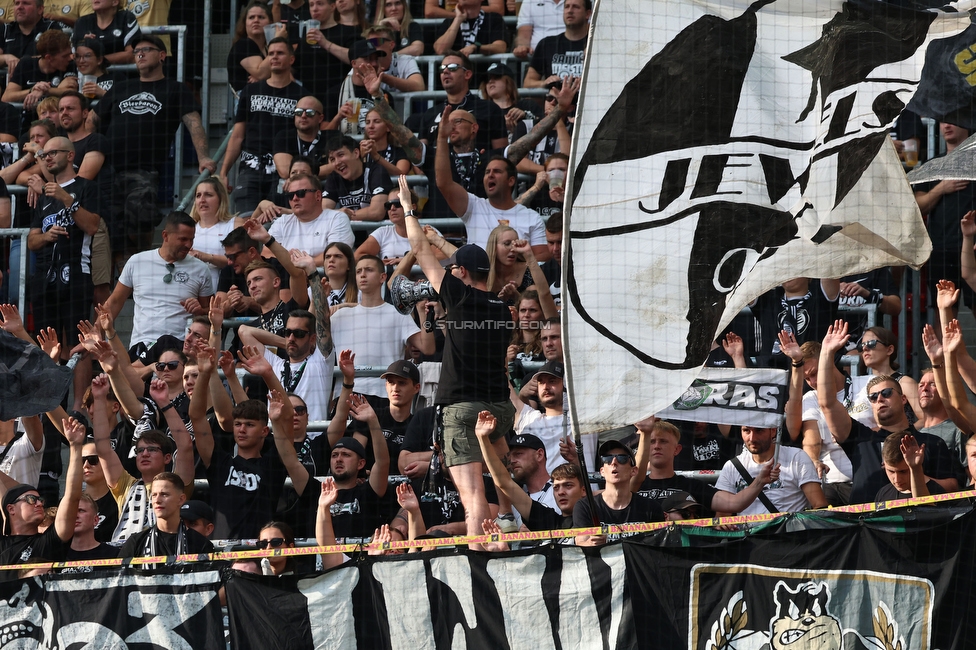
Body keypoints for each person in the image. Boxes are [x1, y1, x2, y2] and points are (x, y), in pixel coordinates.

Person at [402, 176, 515, 545]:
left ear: (462, 274)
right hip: (499, 408)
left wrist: (408, 207)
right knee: (503, 482)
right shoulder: (503, 308)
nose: (448, 275)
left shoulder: (459, 296)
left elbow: (419, 250)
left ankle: (479, 557)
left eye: (453, 270)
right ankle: (510, 536)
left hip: (463, 411)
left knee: (474, 499)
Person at [815, 320, 960, 504]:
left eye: (886, 393)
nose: (879, 399)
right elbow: (827, 403)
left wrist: (915, 476)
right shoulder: (861, 439)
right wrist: (827, 353)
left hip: (916, 527)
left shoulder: (931, 442)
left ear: (903, 399)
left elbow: (953, 487)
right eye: (873, 397)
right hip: (868, 529)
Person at [95, 34, 215, 251]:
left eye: (146, 49)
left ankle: (140, 260)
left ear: (161, 55)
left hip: (144, 169)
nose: (139, 54)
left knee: (140, 218)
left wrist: (204, 156)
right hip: (106, 169)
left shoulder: (174, 89)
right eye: (136, 51)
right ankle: (124, 268)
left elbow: (194, 123)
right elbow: (91, 121)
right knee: (109, 227)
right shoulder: (121, 88)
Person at [190, 349, 289, 540]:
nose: (241, 429)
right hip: (222, 557)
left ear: (264, 431)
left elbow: (288, 416)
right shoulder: (220, 463)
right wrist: (204, 373)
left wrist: (268, 374)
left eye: (249, 425)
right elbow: (196, 417)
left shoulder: (272, 464)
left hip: (258, 556)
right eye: (237, 425)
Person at [102, 211, 214, 356]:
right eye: (183, 239)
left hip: (179, 348)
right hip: (142, 346)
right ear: (165, 236)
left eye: (191, 239)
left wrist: (200, 311)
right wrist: (94, 334)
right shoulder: (137, 261)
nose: (189, 245)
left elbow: (210, 313)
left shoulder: (201, 269)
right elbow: (114, 302)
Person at [222, 37, 304, 215]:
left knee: (280, 226)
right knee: (246, 224)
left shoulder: (302, 95)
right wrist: (224, 171)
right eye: (271, 53)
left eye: (280, 53)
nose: (274, 57)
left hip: (284, 172)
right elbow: (237, 135)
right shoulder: (250, 91)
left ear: (291, 59)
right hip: (250, 168)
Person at [331, 255, 433, 398]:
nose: (363, 275)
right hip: (347, 394)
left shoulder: (399, 313)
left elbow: (427, 348)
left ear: (382, 277)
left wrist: (422, 313)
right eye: (359, 271)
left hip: (385, 394)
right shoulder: (339, 316)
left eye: (369, 270)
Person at [632, 418, 777, 516]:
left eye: (663, 441)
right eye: (652, 442)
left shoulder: (691, 486)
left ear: (677, 449)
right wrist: (645, 433)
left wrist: (759, 481)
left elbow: (734, 503)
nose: (657, 446)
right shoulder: (633, 486)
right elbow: (635, 474)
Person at [0, 414, 84, 580]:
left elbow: (72, 497)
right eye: (31, 500)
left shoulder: (49, 543)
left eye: (40, 500)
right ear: (11, 509)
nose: (39, 503)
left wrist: (75, 446)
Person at [239, 283, 336, 421]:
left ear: (312, 339)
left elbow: (323, 320)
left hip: (311, 438)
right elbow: (244, 330)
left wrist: (314, 285)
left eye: (298, 334)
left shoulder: (321, 362)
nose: (291, 338)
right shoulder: (274, 363)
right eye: (288, 332)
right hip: (277, 438)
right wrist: (285, 344)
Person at [779, 333, 855, 506]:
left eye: (814, 373)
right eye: (807, 378)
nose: (813, 382)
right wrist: (813, 460)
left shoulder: (865, 386)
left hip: (867, 473)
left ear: (828, 360)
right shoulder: (811, 397)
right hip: (831, 481)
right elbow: (810, 436)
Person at [475, 411, 583, 531]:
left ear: (539, 454)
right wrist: (483, 438)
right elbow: (503, 482)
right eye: (556, 488)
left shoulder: (588, 507)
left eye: (519, 454)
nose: (512, 461)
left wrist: (577, 461)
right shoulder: (546, 518)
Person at [915, 122, 975, 327]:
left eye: (953, 120)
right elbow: (917, 207)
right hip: (940, 250)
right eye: (942, 120)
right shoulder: (933, 164)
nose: (946, 125)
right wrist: (940, 188)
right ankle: (942, 360)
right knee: (945, 315)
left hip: (973, 248)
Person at [58, 91, 116, 303]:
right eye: (61, 109)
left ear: (84, 113)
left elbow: (79, 181)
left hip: (94, 217)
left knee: (99, 286)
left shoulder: (95, 140)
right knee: (63, 287)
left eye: (70, 108)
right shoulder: (56, 145)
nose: (64, 112)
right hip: (63, 220)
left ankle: (101, 334)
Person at [715, 425, 826, 515]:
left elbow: (820, 505)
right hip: (747, 538)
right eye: (746, 430)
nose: (752, 438)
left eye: (759, 430)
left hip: (788, 537)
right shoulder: (731, 467)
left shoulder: (796, 457)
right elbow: (722, 517)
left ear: (773, 431)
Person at [574, 440, 663, 546]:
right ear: (602, 471)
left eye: (622, 458)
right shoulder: (585, 506)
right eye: (607, 459)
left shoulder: (651, 507)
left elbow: (658, 549)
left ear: (633, 471)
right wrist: (590, 543)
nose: (614, 462)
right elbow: (580, 542)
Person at [265, 172, 356, 264]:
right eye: (290, 195)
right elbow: (267, 255)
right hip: (286, 277)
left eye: (301, 193)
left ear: (318, 196)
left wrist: (296, 266)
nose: (295, 198)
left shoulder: (337, 219)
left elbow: (335, 255)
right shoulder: (282, 222)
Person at [119, 472, 214, 558]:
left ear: (181, 499)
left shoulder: (200, 544)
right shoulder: (136, 542)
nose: (157, 500)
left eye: (164, 494)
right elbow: (119, 576)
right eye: (154, 495)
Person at [294, 0, 359, 111]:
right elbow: (295, 68)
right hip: (310, 102)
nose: (314, 8)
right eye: (311, 5)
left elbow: (356, 59)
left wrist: (325, 43)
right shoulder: (306, 36)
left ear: (332, 6)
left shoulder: (348, 32)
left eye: (320, 4)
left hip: (340, 100)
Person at [2, 29, 78, 119]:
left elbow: (73, 92)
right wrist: (32, 91)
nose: (70, 58)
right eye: (65, 56)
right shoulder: (26, 64)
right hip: (28, 121)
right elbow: (6, 97)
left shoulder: (70, 65)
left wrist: (44, 91)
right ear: (48, 58)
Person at [320, 134, 393, 221]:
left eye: (341, 155)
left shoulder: (376, 171)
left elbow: (376, 212)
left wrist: (340, 215)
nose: (337, 162)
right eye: (332, 159)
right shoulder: (334, 177)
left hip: (378, 233)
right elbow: (322, 213)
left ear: (356, 153)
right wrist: (340, 214)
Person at [188, 179, 245, 289]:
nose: (202, 200)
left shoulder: (235, 224)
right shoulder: (189, 227)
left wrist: (207, 257)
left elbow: (242, 261)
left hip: (228, 293)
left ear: (221, 199)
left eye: (208, 195)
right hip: (193, 295)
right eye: (198, 195)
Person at [522, 0, 589, 88]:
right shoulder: (546, 44)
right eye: (566, 7)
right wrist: (544, 83)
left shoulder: (596, 44)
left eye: (576, 7)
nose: (570, 11)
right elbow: (528, 82)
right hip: (554, 100)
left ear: (588, 14)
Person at [272, 95, 336, 182]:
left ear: (320, 118)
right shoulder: (284, 136)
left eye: (310, 112)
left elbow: (338, 164)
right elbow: (285, 172)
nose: (303, 116)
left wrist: (297, 173)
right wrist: (318, 172)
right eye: (299, 112)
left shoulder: (333, 137)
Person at [226, 1, 279, 92]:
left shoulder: (267, 48)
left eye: (261, 17)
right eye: (251, 17)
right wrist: (278, 39)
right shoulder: (244, 44)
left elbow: (285, 71)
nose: (256, 20)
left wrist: (266, 76)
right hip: (246, 102)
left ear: (270, 23)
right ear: (245, 23)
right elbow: (261, 73)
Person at [0, 0, 65, 71]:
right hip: (6, 81)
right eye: (17, 3)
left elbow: (54, 57)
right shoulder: (5, 29)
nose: (19, 7)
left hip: (41, 80)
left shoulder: (51, 28)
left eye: (25, 3)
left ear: (40, 9)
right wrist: (6, 58)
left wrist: (23, 62)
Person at [875, 432, 941, 501]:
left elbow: (923, 509)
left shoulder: (936, 492)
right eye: (891, 471)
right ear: (883, 464)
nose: (897, 480)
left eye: (903, 471)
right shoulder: (883, 494)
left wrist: (916, 468)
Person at [61, 493, 118, 571]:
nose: (75, 515)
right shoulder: (54, 554)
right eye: (71, 511)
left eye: (81, 510)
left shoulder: (114, 554)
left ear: (96, 520)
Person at [72, 0, 141, 64]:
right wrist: (83, 44)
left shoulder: (126, 17)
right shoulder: (82, 22)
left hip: (123, 75)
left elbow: (132, 54)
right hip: (89, 76)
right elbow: (73, 56)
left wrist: (97, 60)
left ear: (115, 2)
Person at [433, 0, 507, 56]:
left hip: (485, 73)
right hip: (456, 72)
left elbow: (500, 47)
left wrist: (476, 47)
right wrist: (458, 20)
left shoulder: (493, 18)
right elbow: (440, 50)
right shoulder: (450, 22)